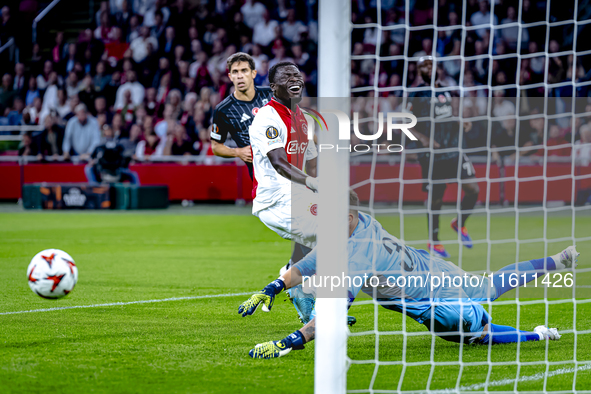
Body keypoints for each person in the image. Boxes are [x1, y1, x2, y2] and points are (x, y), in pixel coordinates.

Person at [239, 192, 579, 359]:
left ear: (347, 216)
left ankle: (539, 337)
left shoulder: (357, 258)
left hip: (436, 305)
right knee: (492, 284)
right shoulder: (364, 222)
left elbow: (329, 317)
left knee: (477, 334)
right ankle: (556, 259)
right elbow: (313, 261)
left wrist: (288, 343)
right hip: (436, 269)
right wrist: (274, 286)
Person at [248, 61, 322, 324]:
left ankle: (295, 285)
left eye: (298, 74)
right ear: (273, 86)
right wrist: (313, 183)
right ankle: (320, 311)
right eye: (287, 75)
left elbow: (312, 161)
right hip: (275, 199)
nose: (295, 78)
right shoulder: (267, 118)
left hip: (297, 195)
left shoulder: (303, 117)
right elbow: (280, 163)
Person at [409, 56, 479, 258]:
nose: (429, 68)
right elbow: (406, 124)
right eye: (424, 66)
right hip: (433, 155)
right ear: (418, 70)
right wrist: (424, 139)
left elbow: (447, 116)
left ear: (438, 68)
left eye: (431, 64)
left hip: (454, 149)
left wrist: (461, 122)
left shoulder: (447, 90)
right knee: (436, 199)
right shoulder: (417, 94)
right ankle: (435, 241)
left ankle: (459, 223)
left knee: (473, 190)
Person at [210, 52, 273, 179]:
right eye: (235, 72)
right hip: (261, 178)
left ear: (253, 73)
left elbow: (298, 121)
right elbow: (216, 147)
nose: (239, 76)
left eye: (244, 70)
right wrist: (237, 152)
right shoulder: (222, 110)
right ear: (230, 76)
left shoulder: (272, 94)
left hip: (290, 167)